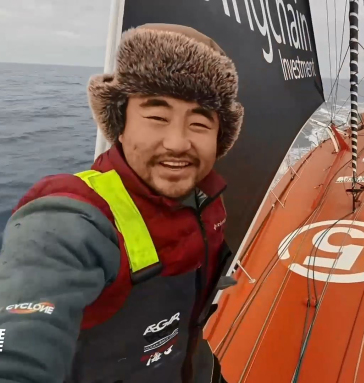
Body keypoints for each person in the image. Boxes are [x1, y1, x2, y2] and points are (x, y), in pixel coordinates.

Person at [0, 23, 243, 383]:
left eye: (199, 123)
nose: (177, 142)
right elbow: (20, 349)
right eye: (156, 117)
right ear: (121, 125)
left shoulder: (205, 198)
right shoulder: (70, 217)